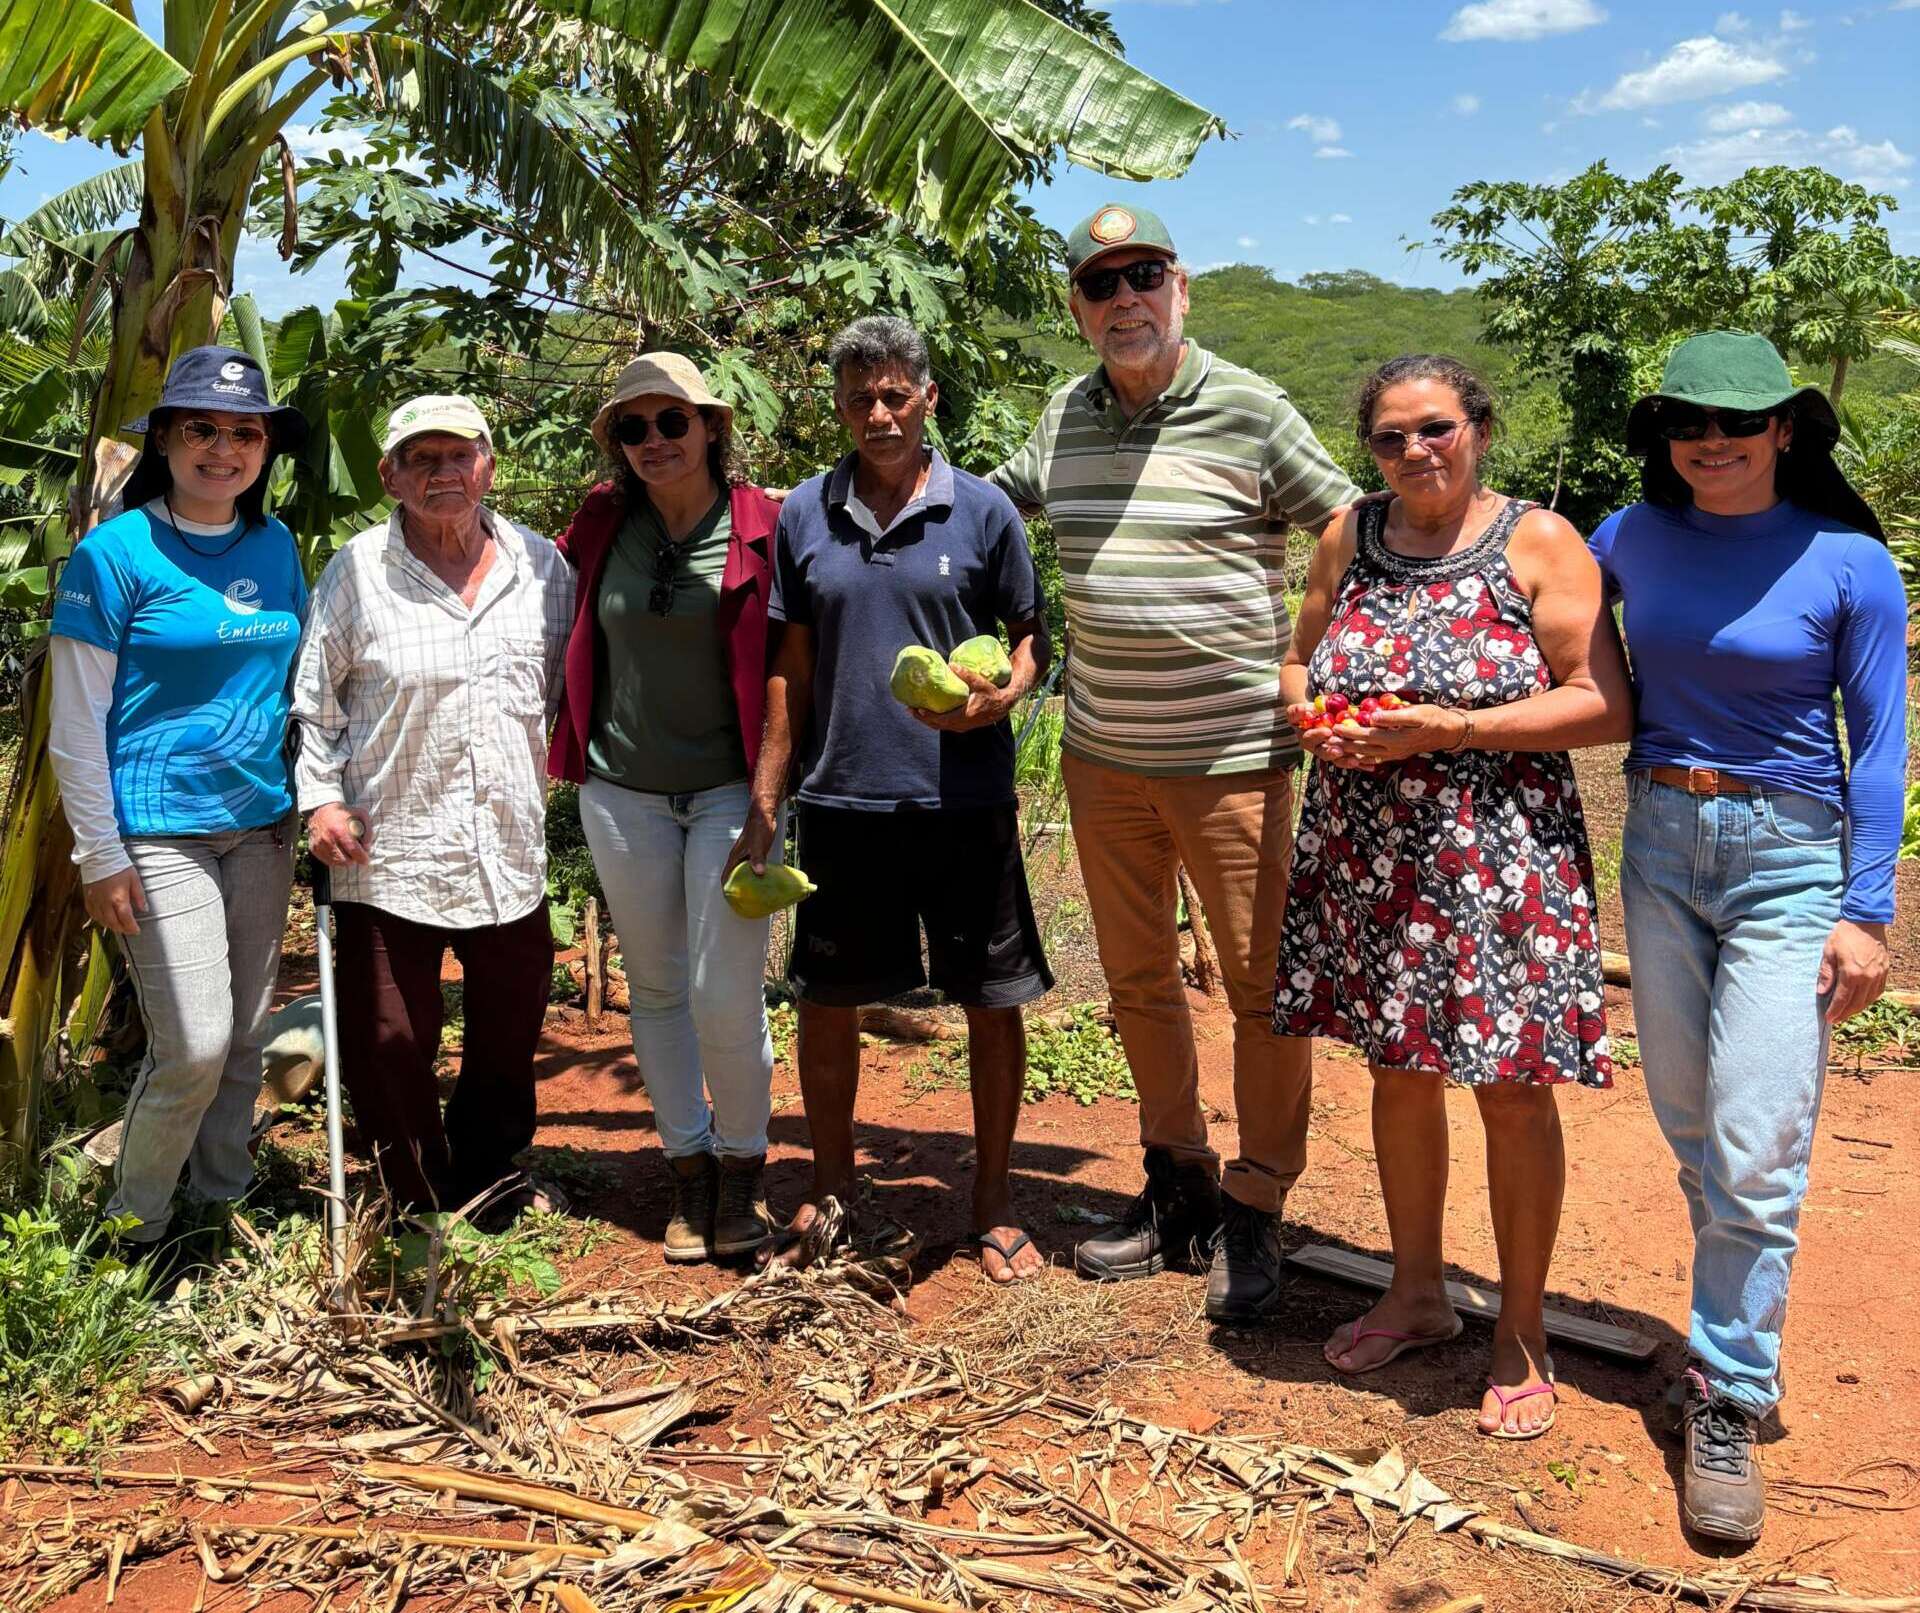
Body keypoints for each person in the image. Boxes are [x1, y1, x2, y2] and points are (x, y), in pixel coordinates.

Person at [987, 202, 1360, 1321]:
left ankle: (1258, 1201)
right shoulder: (1065, 415)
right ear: (1079, 308)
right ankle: (1179, 1179)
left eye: (1142, 274)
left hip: (1237, 758)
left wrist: (1308, 657)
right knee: (1140, 981)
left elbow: (1349, 525)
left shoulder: (1249, 406)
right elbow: (985, 509)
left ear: (1180, 287)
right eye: (1102, 285)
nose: (1124, 300)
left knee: (1259, 992)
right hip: (1105, 757)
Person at [1271, 354, 1633, 1436]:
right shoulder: (1351, 532)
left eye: (1434, 428)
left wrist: (1452, 727)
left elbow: (1600, 702)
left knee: (1512, 1084)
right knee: (1396, 1068)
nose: (1414, 451)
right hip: (1372, 852)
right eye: (1390, 436)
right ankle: (1418, 1290)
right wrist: (1314, 714)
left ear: (1477, 426)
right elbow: (1300, 661)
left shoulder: (1539, 540)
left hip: (1499, 858)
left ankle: (1521, 1326)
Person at [1592, 331, 1907, 1542]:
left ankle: (1729, 1389)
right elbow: (1527, 599)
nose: (1709, 441)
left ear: (1786, 430)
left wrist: (1866, 909)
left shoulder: (1848, 561)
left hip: (1790, 858)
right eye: (1687, 421)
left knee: (1757, 1135)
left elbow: (1879, 744)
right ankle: (1728, 1313)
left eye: (1737, 421)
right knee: (1691, 1121)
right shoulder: (1627, 536)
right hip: (1662, 838)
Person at [727, 315, 1053, 1284]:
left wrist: (1007, 689)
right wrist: (766, 792)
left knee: (991, 1002)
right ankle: (835, 1196)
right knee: (828, 1001)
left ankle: (992, 1203)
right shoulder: (804, 517)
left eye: (894, 394)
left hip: (965, 800)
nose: (877, 412)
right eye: (859, 396)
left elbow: (1031, 637)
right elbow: (790, 663)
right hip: (842, 800)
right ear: (839, 405)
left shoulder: (985, 511)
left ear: (926, 400)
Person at [48, 346, 310, 1252]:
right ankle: (134, 1231)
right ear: (163, 438)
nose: (223, 447)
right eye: (201, 426)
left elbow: (297, 689)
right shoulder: (113, 554)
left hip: (263, 827)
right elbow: (76, 722)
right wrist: (100, 853)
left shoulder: (276, 547)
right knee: (193, 1043)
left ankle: (221, 1200)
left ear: (266, 447)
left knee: (244, 1038)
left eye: (245, 431)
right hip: (159, 831)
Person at [291, 396, 576, 1221]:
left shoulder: (540, 567)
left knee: (507, 1031)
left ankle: (487, 1178)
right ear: (389, 476)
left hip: (507, 849)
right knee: (388, 1039)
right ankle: (410, 1195)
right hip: (389, 847)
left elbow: (566, 689)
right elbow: (316, 703)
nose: (443, 473)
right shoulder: (356, 570)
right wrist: (321, 801)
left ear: (489, 464)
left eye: (460, 455)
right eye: (422, 459)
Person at [548, 353, 785, 1264]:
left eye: (671, 422)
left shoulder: (764, 523)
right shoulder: (604, 522)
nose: (654, 441)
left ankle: (745, 1170)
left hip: (732, 792)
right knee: (654, 987)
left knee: (724, 989)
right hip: (621, 792)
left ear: (711, 428)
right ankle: (688, 1170)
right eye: (633, 429)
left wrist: (768, 794)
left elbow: (785, 667)